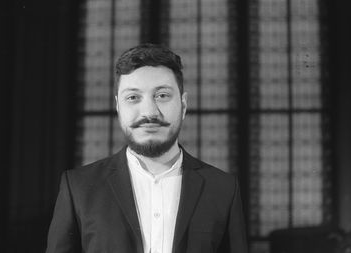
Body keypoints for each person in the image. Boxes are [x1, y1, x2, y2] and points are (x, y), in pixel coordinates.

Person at [46, 43, 248, 253]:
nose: (149, 112)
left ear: (184, 105)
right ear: (118, 107)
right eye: (133, 97)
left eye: (162, 95)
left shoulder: (223, 189)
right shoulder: (78, 187)